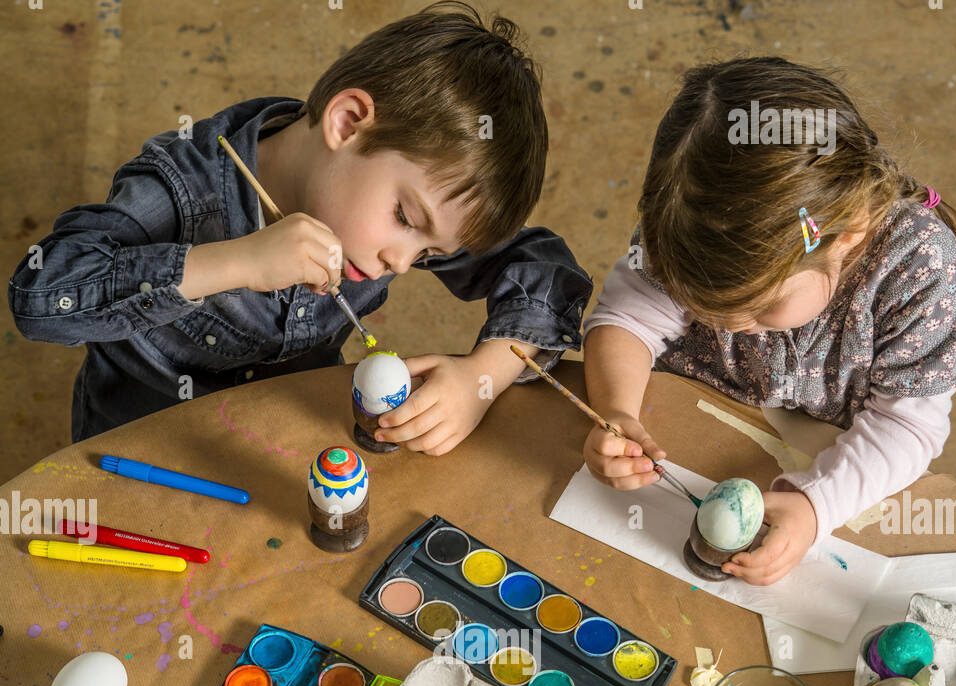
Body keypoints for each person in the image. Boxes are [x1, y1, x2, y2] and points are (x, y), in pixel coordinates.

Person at [8, 3, 591, 449]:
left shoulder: (396, 224)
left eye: (429, 251)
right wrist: (236, 263)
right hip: (139, 458)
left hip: (284, 452)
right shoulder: (185, 185)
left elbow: (546, 271)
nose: (402, 262)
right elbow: (40, 296)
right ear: (347, 121)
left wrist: (482, 378)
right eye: (406, 220)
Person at [582, 57, 956, 585]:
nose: (732, 327)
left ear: (849, 233)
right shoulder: (690, 215)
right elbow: (629, 315)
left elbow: (904, 425)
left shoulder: (924, 274)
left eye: (761, 306)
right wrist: (617, 409)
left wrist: (817, 508)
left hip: (831, 454)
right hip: (691, 416)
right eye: (704, 308)